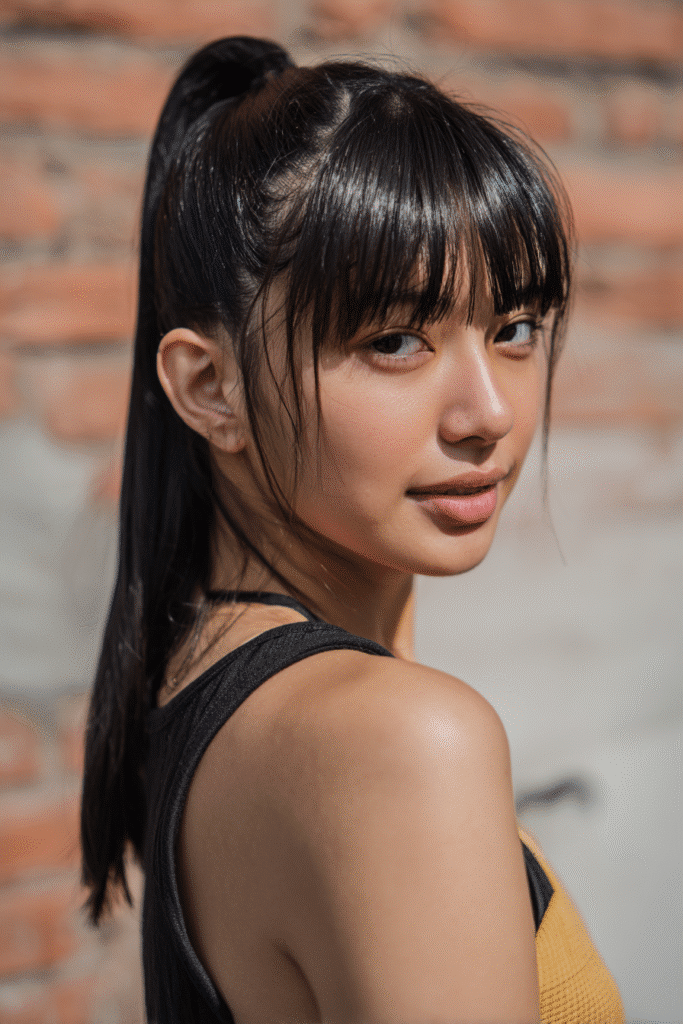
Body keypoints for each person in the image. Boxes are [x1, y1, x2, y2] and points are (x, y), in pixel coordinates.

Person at [80, 36, 625, 1024]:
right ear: (211, 387)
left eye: (513, 327)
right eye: (395, 340)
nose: (486, 412)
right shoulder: (396, 740)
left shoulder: (203, 678)